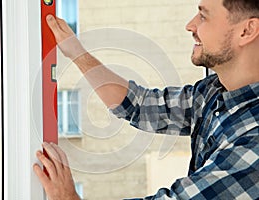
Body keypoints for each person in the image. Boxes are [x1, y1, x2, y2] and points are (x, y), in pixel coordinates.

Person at [33, 0, 259, 199]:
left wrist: (68, 198)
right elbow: (139, 105)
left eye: (203, 16)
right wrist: (76, 53)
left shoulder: (254, 142)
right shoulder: (215, 92)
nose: (190, 25)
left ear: (247, 30)